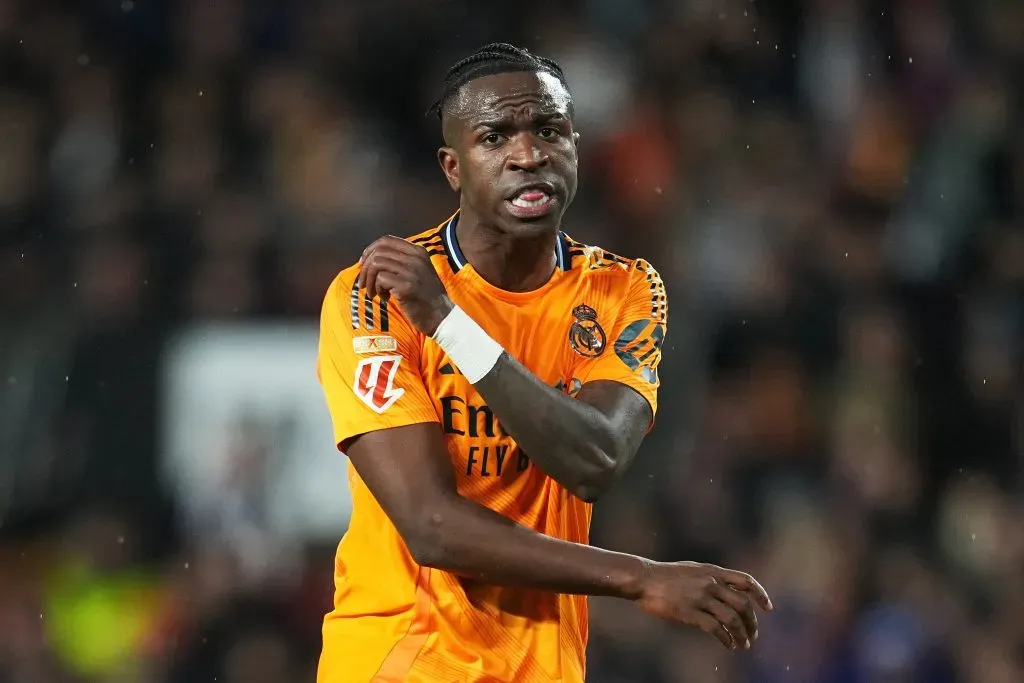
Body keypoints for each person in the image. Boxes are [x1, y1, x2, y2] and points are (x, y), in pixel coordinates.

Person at [315, 43, 772, 683]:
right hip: (408, 656)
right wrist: (640, 579)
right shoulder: (378, 294)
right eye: (495, 137)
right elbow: (431, 526)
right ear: (454, 167)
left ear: (575, 147)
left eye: (549, 130)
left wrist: (452, 325)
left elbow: (598, 458)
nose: (528, 155)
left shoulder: (625, 290)